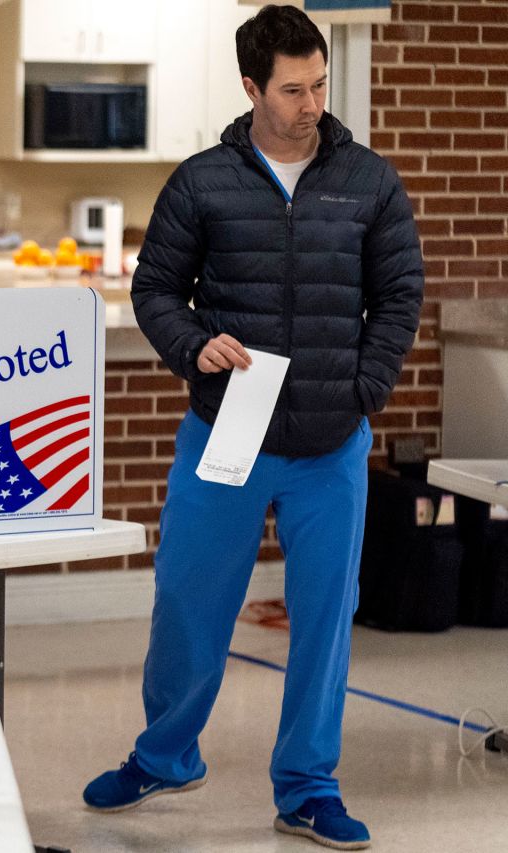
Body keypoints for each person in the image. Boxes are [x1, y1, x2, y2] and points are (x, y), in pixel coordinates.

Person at [81, 5, 423, 850]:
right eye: (292, 89)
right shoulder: (202, 182)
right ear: (251, 88)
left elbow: (401, 296)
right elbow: (154, 290)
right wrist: (194, 344)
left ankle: (308, 786)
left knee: (323, 618)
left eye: (319, 86)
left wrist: (364, 387)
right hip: (223, 433)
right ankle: (165, 756)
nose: (311, 104)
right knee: (189, 604)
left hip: (329, 445)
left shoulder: (368, 180)